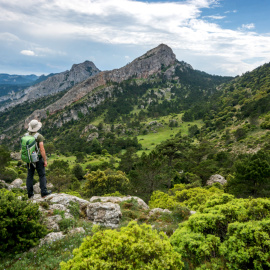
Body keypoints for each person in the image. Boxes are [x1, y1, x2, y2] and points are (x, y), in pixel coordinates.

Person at [26, 119, 51, 199]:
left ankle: (30, 195)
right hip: (38, 159)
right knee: (42, 175)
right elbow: (42, 149)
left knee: (30, 176)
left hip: (29, 159)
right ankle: (44, 193)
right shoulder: (39, 136)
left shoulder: (25, 135)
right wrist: (45, 160)